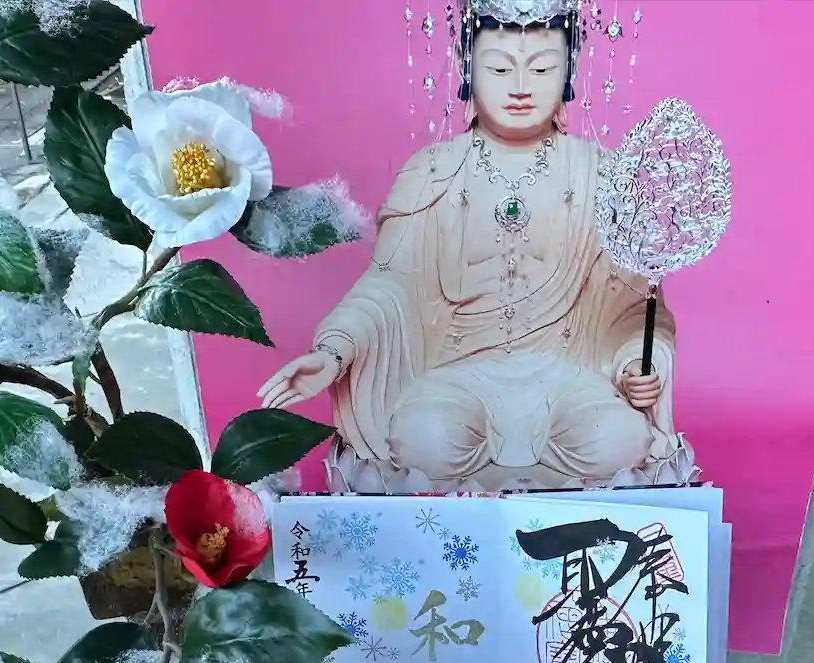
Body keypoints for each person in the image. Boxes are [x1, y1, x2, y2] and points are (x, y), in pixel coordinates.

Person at [258, 0, 691, 493]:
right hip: (459, 371)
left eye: (542, 68)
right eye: (500, 68)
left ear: (569, 73)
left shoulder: (604, 176)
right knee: (423, 438)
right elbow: (388, 285)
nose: (521, 86)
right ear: (467, 68)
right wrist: (335, 352)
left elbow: (633, 306)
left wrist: (635, 363)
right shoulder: (432, 173)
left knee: (618, 440)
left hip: (567, 375)